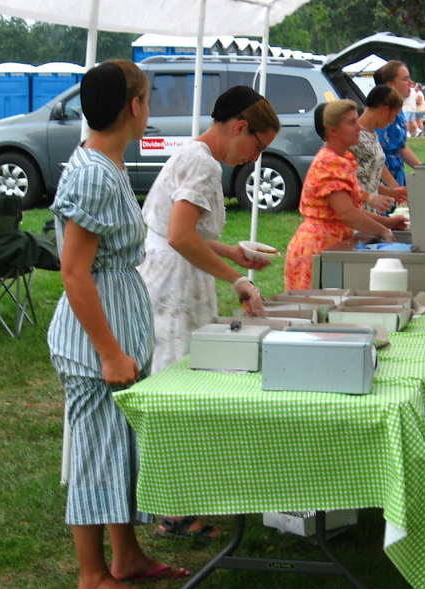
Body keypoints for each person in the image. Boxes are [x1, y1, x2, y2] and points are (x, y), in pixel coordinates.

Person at [47, 60, 190, 589]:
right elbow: (73, 270)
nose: (149, 106)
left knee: (116, 449)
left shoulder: (107, 166)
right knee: (93, 454)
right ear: (134, 106)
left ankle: (125, 558)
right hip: (93, 346)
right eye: (147, 97)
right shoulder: (91, 175)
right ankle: (92, 576)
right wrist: (108, 351)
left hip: (115, 334)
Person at [137, 85, 280, 539]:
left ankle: (180, 500)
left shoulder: (197, 157)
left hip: (177, 277)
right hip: (171, 286)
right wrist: (237, 278)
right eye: (258, 147)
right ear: (240, 127)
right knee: (177, 392)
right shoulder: (201, 162)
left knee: (184, 385)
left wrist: (234, 253)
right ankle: (173, 509)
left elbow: (187, 234)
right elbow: (179, 236)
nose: (254, 159)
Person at [284, 99, 408, 291]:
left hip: (331, 245)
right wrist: (384, 232)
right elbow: (346, 214)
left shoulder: (342, 159)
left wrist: (388, 223)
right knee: (315, 314)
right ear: (333, 131)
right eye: (351, 123)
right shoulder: (330, 163)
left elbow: (353, 210)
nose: (359, 127)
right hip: (317, 248)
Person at [350, 84, 408, 214]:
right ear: (384, 110)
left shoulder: (372, 133)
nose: (391, 121)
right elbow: (353, 183)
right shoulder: (354, 138)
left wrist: (393, 190)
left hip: (370, 209)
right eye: (392, 116)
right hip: (358, 210)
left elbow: (373, 171)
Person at [374, 60, 421, 187]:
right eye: (405, 79)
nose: (411, 83)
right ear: (390, 85)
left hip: (396, 176)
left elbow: (401, 147)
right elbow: (375, 156)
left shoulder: (398, 110)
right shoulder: (380, 112)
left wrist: (424, 171)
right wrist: (393, 187)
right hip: (381, 181)